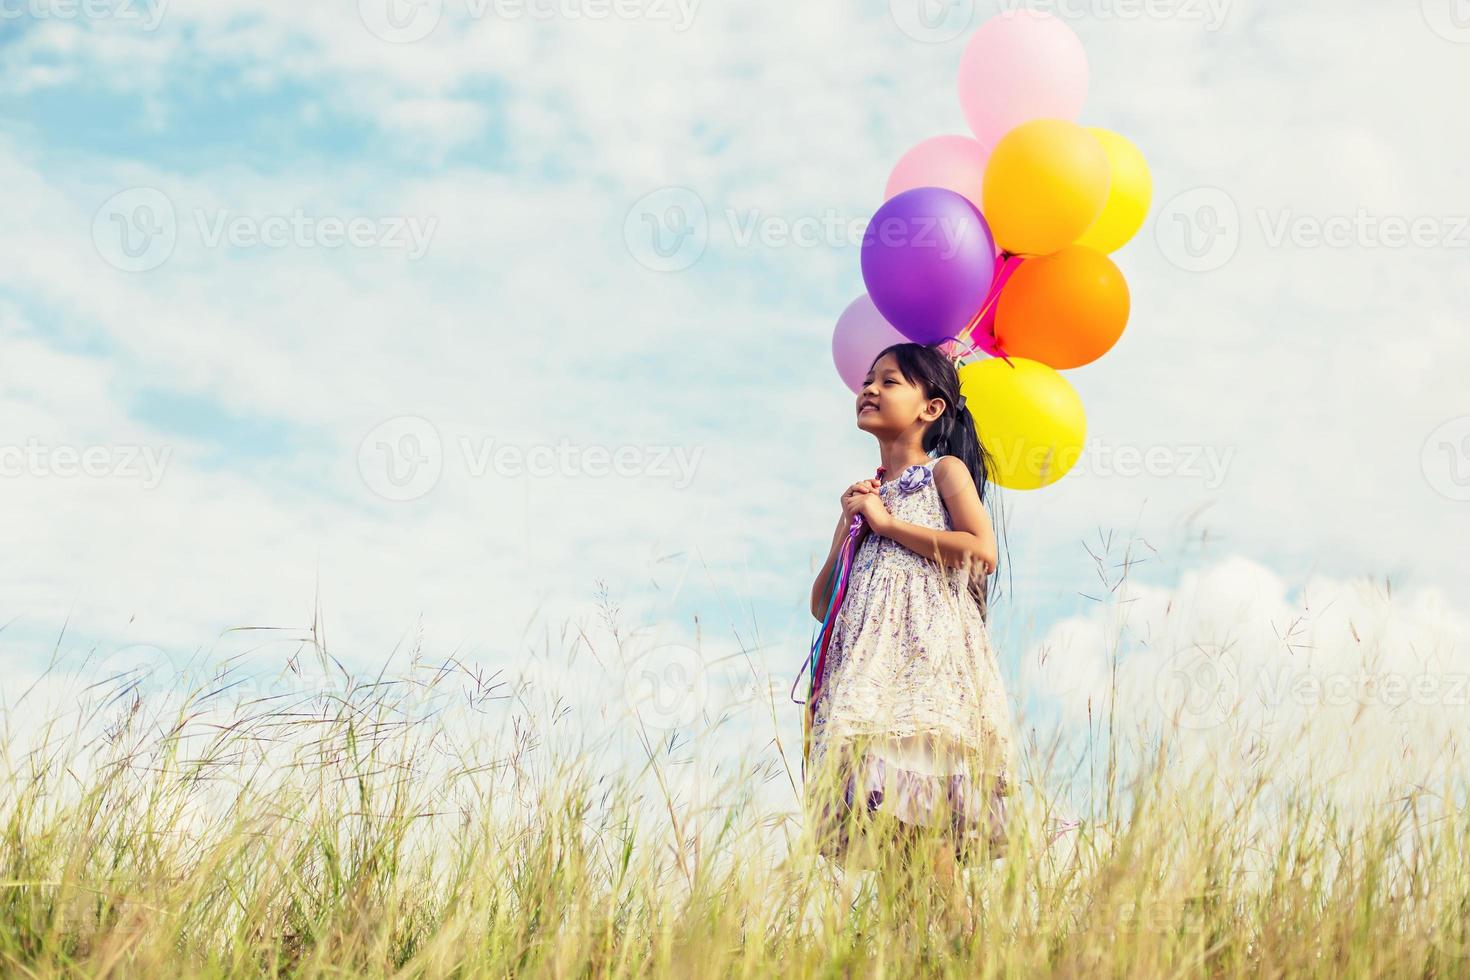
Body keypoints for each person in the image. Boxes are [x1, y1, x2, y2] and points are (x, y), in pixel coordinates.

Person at [802, 341, 1021, 927]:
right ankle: (918, 952)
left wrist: (890, 525)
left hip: (924, 670)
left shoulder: (941, 474)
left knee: (927, 827)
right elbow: (824, 604)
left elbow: (981, 552)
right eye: (868, 379)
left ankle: (964, 947)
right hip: (871, 678)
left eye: (891, 381)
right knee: (893, 833)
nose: (870, 388)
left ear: (931, 408)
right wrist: (847, 527)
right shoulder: (865, 499)